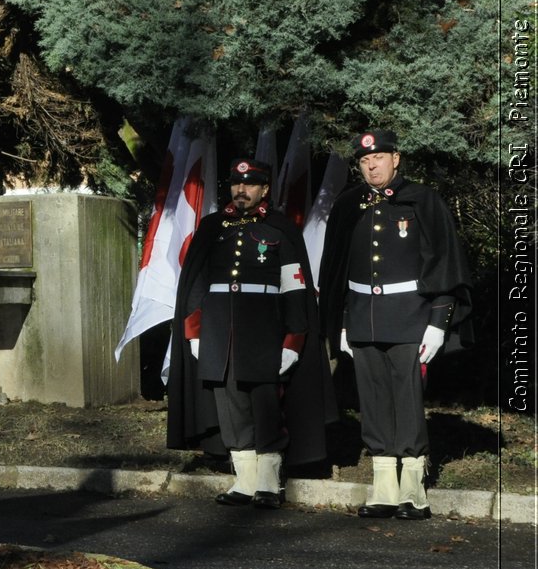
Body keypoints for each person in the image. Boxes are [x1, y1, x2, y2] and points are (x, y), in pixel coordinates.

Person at [319, 130, 472, 521]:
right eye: (365, 161)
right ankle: (384, 487)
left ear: (396, 159)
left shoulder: (423, 200)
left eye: (379, 158)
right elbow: (335, 271)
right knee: (371, 400)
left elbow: (443, 265)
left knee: (407, 399)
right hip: (362, 320)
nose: (372, 165)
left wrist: (438, 322)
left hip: (410, 318)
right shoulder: (348, 204)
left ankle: (413, 489)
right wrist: (339, 324)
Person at [169, 158, 333, 509]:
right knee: (230, 408)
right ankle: (244, 482)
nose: (241, 191)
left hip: (263, 332)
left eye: (249, 185)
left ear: (264, 190)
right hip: (217, 333)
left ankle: (269, 483)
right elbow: (196, 284)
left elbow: (294, 285)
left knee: (266, 406)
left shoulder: (279, 228)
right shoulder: (213, 227)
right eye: (235, 184)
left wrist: (293, 339)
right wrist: (194, 333)